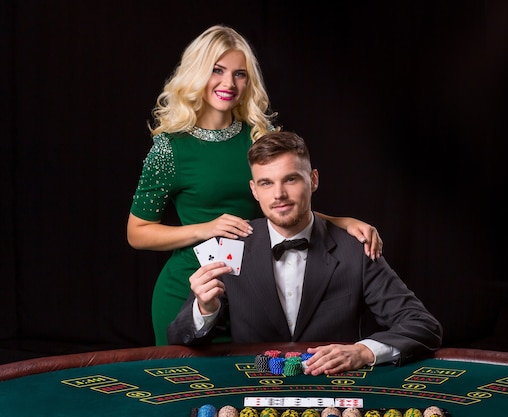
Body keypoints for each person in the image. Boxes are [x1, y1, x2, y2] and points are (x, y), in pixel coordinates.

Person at [127, 25, 383, 346]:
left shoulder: (261, 134)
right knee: (192, 393)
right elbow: (137, 232)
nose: (228, 83)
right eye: (217, 71)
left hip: (254, 291)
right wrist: (205, 228)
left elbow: (284, 205)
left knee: (258, 385)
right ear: (196, 73)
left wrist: (342, 223)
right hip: (190, 287)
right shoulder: (169, 148)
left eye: (240, 74)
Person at [167, 131, 443, 375]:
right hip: (253, 389)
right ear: (254, 190)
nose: (279, 194)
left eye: (291, 179)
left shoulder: (355, 250)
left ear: (313, 180)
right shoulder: (229, 246)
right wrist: (205, 309)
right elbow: (179, 338)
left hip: (334, 386)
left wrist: (364, 351)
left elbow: (422, 325)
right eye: (266, 183)